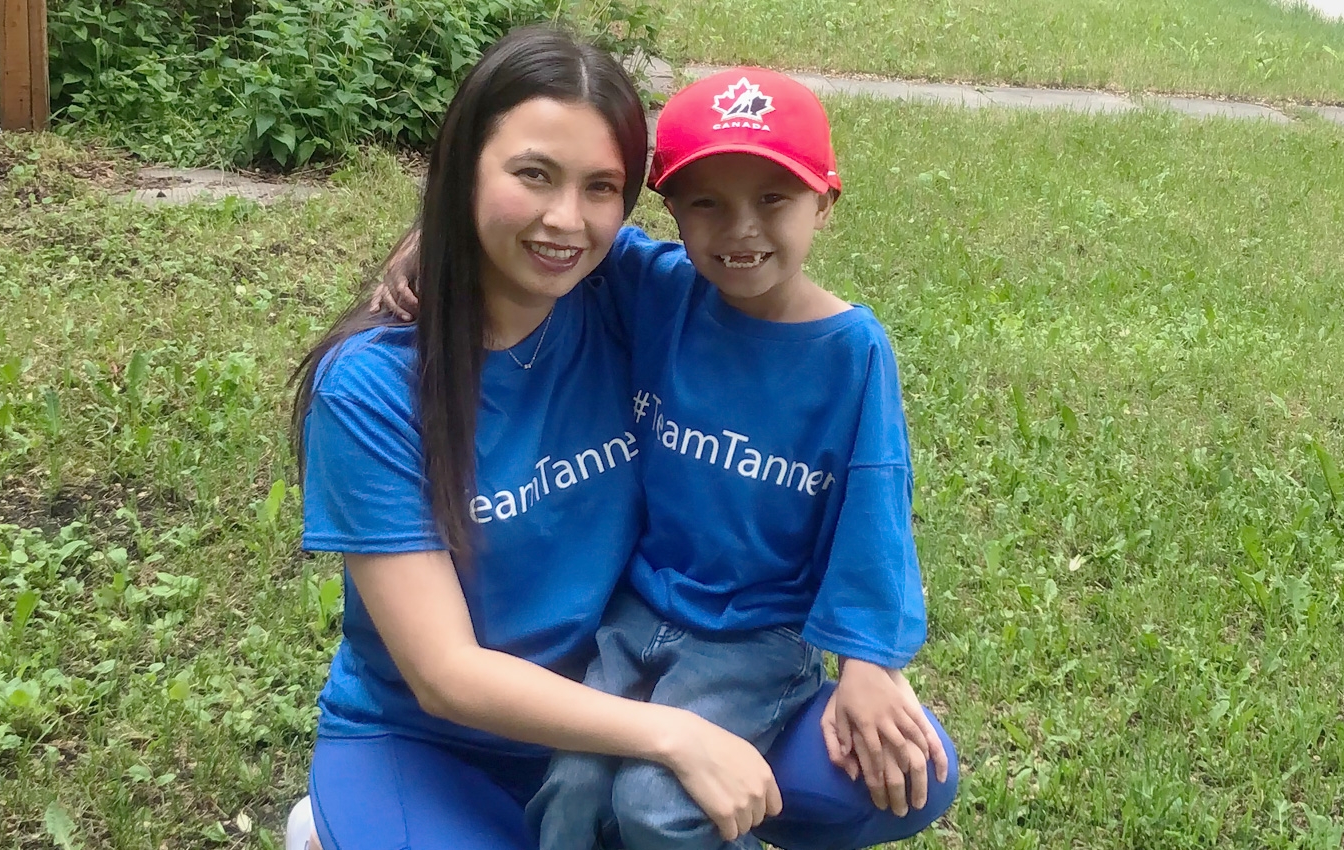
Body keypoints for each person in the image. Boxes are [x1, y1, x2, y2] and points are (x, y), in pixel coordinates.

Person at [287, 26, 956, 850]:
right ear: (465, 167)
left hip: (637, 676)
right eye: (532, 174)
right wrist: (677, 738)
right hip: (442, 734)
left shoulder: (618, 293)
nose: (565, 220)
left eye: (600, 186)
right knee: (633, 802)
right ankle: (343, 824)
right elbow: (445, 675)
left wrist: (867, 658)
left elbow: (790, 343)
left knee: (901, 773)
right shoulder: (372, 387)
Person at [525, 68, 946, 850]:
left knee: (660, 805)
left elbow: (874, 511)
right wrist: (423, 253)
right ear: (671, 210)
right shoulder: (662, 290)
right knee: (572, 788)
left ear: (825, 199)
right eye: (707, 203)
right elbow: (556, 235)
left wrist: (865, 658)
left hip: (755, 633)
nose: (740, 228)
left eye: (773, 200)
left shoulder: (851, 351)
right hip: (639, 609)